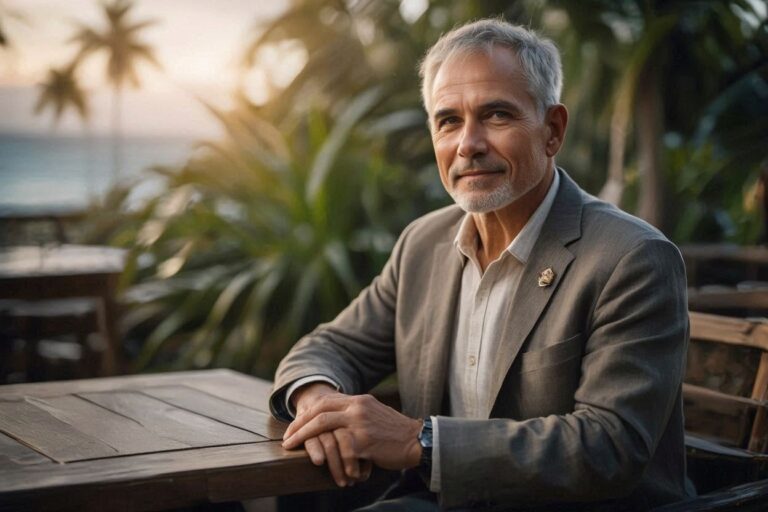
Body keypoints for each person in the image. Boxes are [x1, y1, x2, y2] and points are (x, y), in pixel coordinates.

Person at [270, 18, 692, 511]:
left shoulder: (631, 258)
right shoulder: (423, 243)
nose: (468, 144)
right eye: (448, 120)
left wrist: (419, 442)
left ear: (552, 130)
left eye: (496, 115)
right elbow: (331, 346)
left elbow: (609, 446)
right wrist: (318, 401)